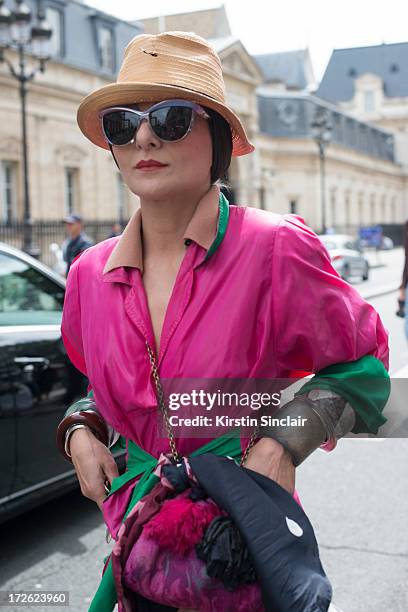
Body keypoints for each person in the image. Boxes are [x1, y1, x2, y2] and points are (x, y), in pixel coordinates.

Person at [56, 32, 389, 612]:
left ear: (218, 139)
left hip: (238, 545)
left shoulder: (275, 248)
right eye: (122, 123)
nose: (144, 136)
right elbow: (111, 387)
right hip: (136, 545)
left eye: (173, 117)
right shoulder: (88, 274)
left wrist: (284, 443)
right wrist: (79, 428)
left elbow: (363, 367)